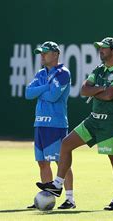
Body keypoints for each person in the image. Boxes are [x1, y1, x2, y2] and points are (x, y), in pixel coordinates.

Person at [36, 37, 113, 211]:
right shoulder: (99, 69)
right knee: (66, 144)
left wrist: (96, 91)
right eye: (99, 48)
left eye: (104, 48)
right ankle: (57, 185)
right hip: (93, 120)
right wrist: (102, 89)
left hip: (112, 123)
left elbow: (110, 96)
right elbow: (83, 90)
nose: (100, 50)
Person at [25, 41, 76, 209]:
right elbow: (28, 93)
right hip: (39, 123)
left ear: (55, 54)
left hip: (56, 124)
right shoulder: (41, 73)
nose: (42, 55)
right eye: (41, 53)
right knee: (42, 162)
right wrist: (45, 87)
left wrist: (41, 90)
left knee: (61, 162)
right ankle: (47, 197)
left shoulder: (63, 73)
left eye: (45, 52)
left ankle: (70, 199)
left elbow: (54, 96)